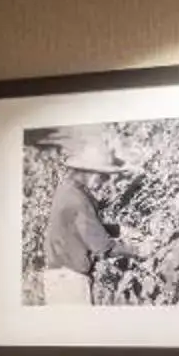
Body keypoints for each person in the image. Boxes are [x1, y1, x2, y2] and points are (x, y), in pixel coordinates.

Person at [33, 127, 129, 306]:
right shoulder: (78, 200)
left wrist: (119, 229)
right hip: (70, 283)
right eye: (104, 177)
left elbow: (80, 228)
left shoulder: (67, 190)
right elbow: (103, 247)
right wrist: (138, 251)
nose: (106, 183)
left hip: (58, 278)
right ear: (92, 173)